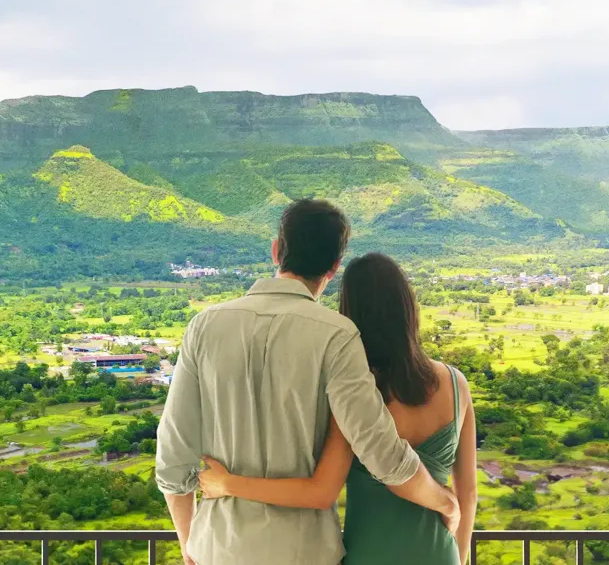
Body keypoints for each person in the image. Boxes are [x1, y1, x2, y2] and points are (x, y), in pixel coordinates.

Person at [156, 201, 459, 565]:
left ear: (275, 250)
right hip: (303, 552)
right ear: (334, 267)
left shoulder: (203, 326)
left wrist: (191, 545)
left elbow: (173, 457)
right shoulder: (337, 335)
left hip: (218, 547)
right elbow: (381, 451)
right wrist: (444, 501)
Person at [198, 252, 478, 565]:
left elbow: (319, 492)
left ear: (350, 314)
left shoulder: (353, 393)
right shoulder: (455, 384)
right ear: (407, 307)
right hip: (439, 553)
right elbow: (467, 495)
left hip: (367, 554)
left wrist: (228, 484)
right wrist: (457, 554)